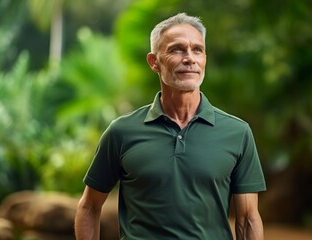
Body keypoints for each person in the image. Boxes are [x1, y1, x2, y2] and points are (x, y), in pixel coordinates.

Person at [75, 12, 266, 240]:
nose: (189, 58)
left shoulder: (237, 133)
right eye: (177, 49)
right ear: (154, 62)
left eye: (197, 49)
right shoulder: (121, 132)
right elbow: (89, 207)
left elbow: (247, 219)